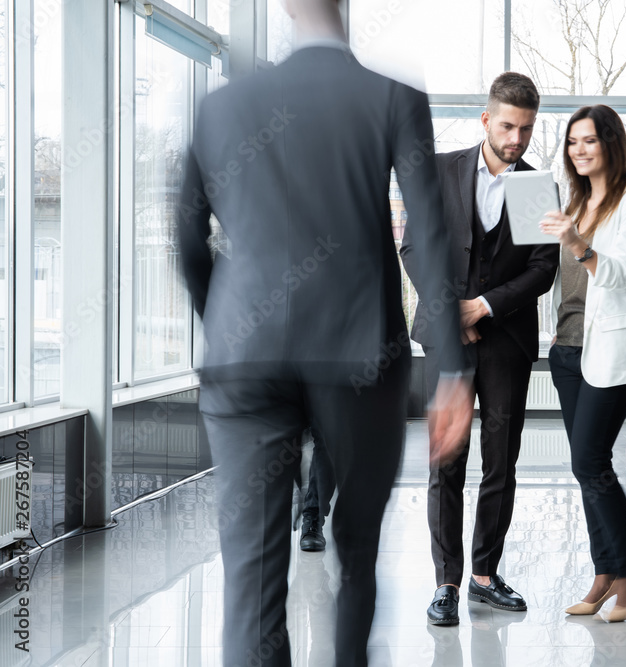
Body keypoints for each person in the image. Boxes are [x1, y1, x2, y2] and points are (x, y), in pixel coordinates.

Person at [175, 0, 473, 664]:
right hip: (359, 352)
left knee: (251, 581)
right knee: (358, 554)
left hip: (243, 360)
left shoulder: (223, 106)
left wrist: (228, 324)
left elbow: (188, 243)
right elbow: (429, 236)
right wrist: (453, 369)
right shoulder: (393, 96)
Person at [401, 72, 559, 626]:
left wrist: (484, 306)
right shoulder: (441, 170)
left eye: (527, 129)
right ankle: (445, 582)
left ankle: (484, 576)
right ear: (486, 119)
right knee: (446, 459)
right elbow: (414, 246)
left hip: (507, 340)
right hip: (447, 339)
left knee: (501, 462)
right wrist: (453, 313)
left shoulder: (537, 186)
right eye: (509, 125)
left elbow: (543, 270)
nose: (517, 139)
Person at [540, 104, 626, 623]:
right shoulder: (575, 203)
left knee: (589, 462)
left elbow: (624, 275)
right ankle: (605, 573)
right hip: (565, 350)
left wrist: (578, 244)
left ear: (611, 143)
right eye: (572, 142)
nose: (579, 150)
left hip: (609, 352)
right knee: (589, 470)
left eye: (588, 140)